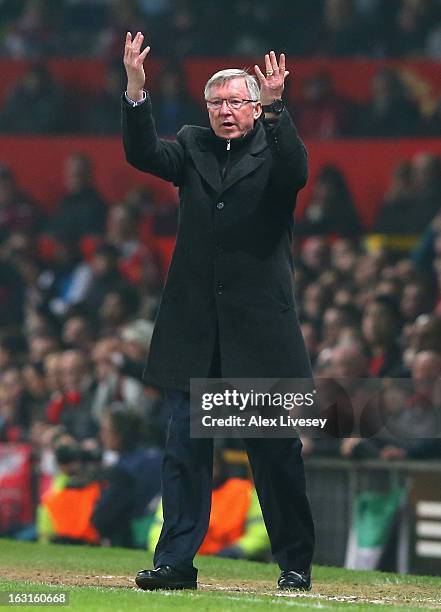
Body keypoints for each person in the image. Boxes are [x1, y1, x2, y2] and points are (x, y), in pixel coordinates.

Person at [122, 32, 315, 592]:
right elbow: (143, 154)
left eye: (236, 102)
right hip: (196, 331)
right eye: (217, 103)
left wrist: (280, 109)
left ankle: (295, 564)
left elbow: (296, 171)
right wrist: (136, 89)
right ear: (206, 110)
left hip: (258, 333)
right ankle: (175, 563)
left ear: (255, 107)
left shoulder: (274, 149)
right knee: (184, 451)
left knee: (276, 456)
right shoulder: (192, 145)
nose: (226, 112)